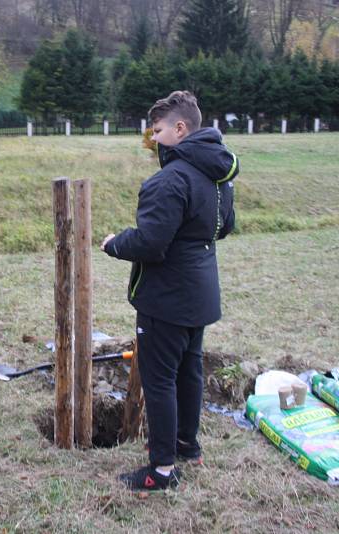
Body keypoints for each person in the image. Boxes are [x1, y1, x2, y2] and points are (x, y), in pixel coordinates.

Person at [101, 91, 238, 491]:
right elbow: (223, 227)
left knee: (159, 379)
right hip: (200, 292)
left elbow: (150, 243)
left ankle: (161, 469)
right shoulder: (218, 177)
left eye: (157, 131)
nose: (152, 140)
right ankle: (186, 445)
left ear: (180, 129)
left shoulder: (169, 180)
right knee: (189, 370)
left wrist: (115, 243)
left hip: (167, 296)